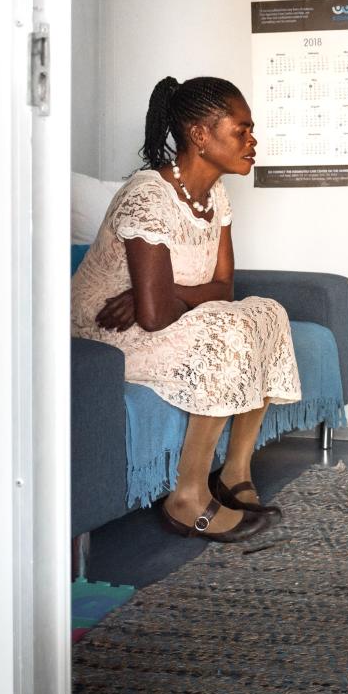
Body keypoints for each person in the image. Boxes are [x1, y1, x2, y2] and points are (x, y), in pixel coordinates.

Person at [72, 75, 301, 542]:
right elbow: (154, 316)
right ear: (200, 134)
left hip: (157, 312)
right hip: (104, 329)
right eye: (242, 129)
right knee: (227, 332)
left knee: (267, 314)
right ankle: (187, 497)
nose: (253, 140)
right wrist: (160, 298)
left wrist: (164, 291)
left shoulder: (216, 195)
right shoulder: (149, 196)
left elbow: (224, 287)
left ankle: (235, 473)